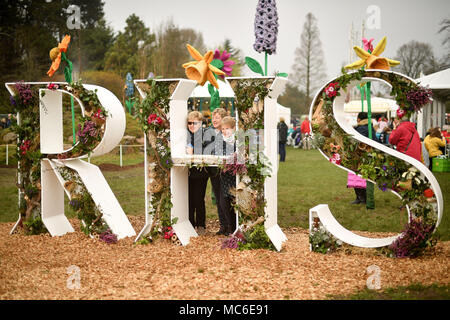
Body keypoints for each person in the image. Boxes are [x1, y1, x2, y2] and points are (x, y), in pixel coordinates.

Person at [204, 107, 228, 235]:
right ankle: (223, 226)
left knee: (226, 198)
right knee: (218, 199)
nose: (214, 120)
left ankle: (230, 225)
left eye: (217, 117)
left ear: (223, 119)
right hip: (213, 171)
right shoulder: (209, 132)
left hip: (226, 171)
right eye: (213, 117)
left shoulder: (227, 133)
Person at [348, 112, 379, 206]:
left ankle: (360, 198)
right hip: (369, 155)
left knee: (356, 176)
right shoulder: (370, 128)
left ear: (358, 119)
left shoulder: (360, 128)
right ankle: (364, 197)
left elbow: (354, 142)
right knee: (365, 177)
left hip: (359, 156)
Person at [186, 111, 209, 235]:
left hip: (201, 173)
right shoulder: (186, 135)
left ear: (200, 123)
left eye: (194, 123)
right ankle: (189, 224)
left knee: (199, 199)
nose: (191, 125)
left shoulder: (205, 135)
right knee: (188, 199)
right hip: (187, 172)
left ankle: (201, 225)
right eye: (189, 123)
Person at [218, 116, 237, 235]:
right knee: (224, 202)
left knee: (234, 201)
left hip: (235, 177)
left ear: (234, 128)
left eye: (227, 128)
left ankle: (235, 227)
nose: (224, 131)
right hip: (224, 176)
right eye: (223, 129)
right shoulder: (220, 141)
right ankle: (230, 227)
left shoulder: (238, 140)